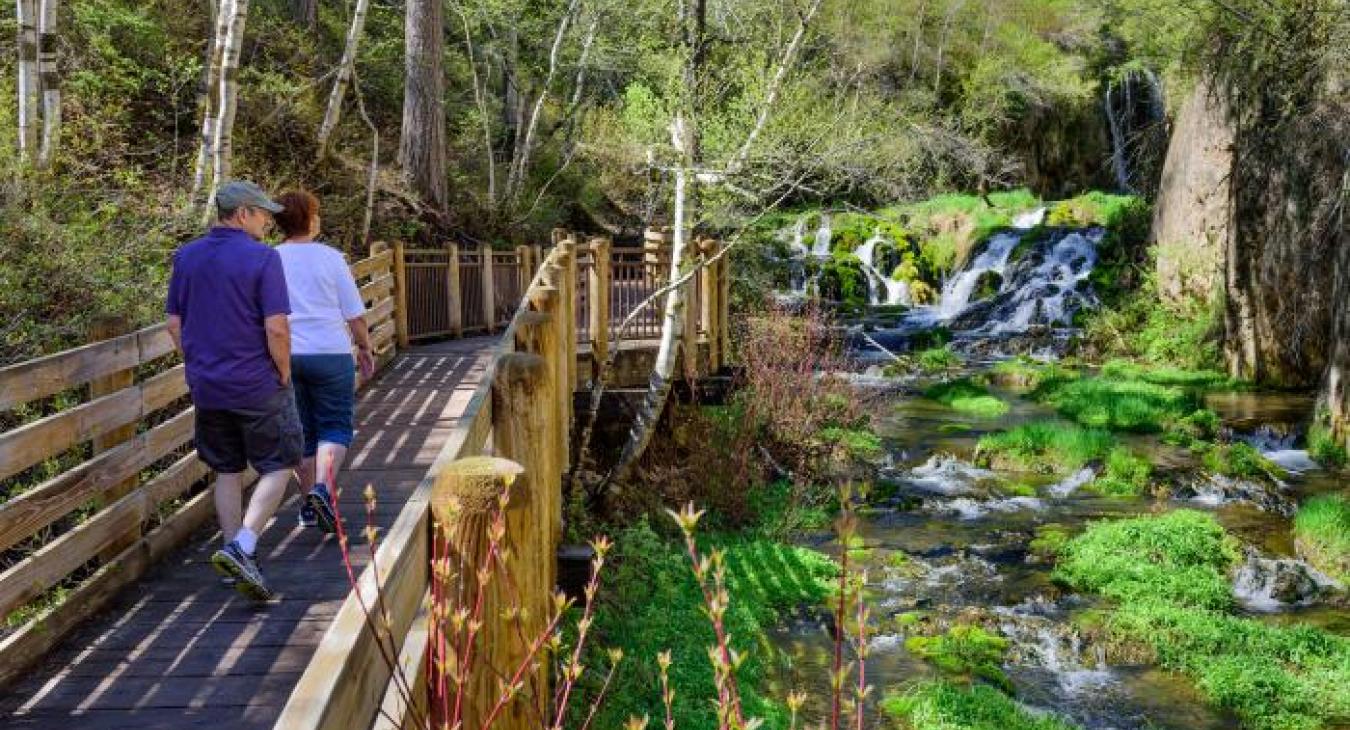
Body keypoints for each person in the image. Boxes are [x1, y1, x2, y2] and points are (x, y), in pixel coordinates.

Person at [165, 180, 302, 602]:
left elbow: (174, 323)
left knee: (226, 469)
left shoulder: (186, 256)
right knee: (282, 462)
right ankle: (243, 545)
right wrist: (283, 371)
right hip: (256, 382)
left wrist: (198, 363)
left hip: (208, 386)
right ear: (242, 214)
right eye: (263, 214)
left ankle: (232, 555)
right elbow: (276, 328)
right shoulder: (262, 257)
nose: (267, 223)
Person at [274, 191, 375, 533]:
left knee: (303, 431)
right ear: (309, 220)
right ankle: (321, 489)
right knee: (334, 426)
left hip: (287, 355)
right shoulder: (331, 258)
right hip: (330, 353)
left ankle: (308, 508)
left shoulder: (270, 259)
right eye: (315, 213)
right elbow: (354, 314)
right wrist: (365, 347)